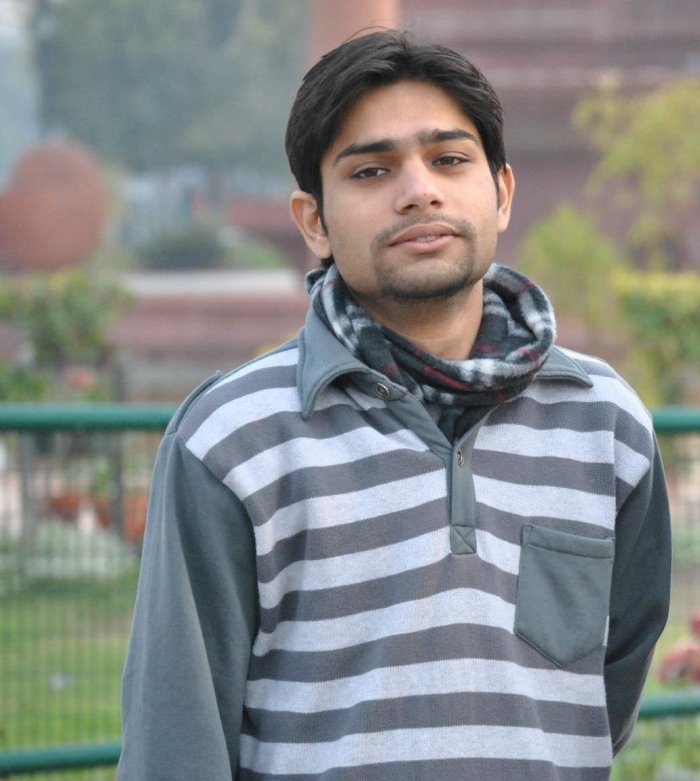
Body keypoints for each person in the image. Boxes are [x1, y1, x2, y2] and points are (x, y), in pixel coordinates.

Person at [118, 29, 672, 781]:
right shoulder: (232, 439)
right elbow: (176, 738)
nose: (419, 190)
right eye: (372, 170)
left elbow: (603, 693)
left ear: (503, 193)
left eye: (449, 159)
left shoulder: (605, 424)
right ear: (313, 221)